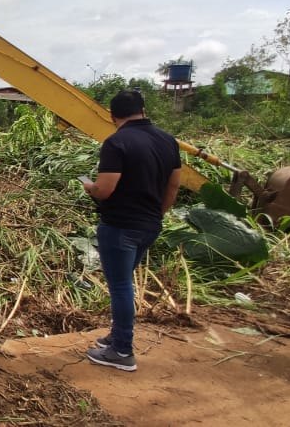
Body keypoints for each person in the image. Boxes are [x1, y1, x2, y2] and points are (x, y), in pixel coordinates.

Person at [81, 90, 182, 372]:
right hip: (150, 226)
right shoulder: (168, 141)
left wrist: (89, 187)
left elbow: (105, 190)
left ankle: (122, 351)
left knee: (121, 286)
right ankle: (117, 336)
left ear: (112, 115)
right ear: (143, 109)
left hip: (120, 226)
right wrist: (156, 215)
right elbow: (173, 185)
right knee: (124, 282)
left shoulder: (117, 142)